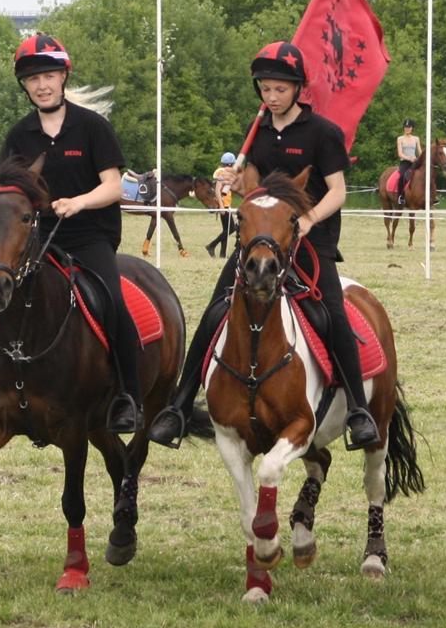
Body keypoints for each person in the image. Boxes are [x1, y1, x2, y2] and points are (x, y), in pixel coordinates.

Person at [148, 40, 379, 450]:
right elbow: (252, 188)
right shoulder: (258, 134)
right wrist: (236, 184)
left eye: (280, 89)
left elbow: (338, 192)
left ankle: (359, 411)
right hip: (260, 243)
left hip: (310, 243)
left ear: (297, 89)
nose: (271, 97)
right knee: (217, 309)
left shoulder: (323, 134)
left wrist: (308, 219)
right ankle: (180, 406)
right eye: (265, 89)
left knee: (330, 314)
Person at [0, 33, 143, 434]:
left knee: (112, 301)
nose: (42, 85)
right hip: (32, 239)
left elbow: (115, 187)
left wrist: (77, 202)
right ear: (25, 86)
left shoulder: (93, 127)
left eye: (48, 76)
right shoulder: (19, 135)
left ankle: (128, 398)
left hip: (88, 236)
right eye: (33, 79)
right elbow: (4, 188)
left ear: (64, 77)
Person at [205, 151, 237, 258]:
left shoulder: (225, 173)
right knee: (231, 229)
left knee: (226, 230)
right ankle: (211, 245)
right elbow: (218, 190)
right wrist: (222, 206)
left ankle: (222, 254)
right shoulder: (222, 174)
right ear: (230, 164)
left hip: (226, 205)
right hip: (223, 205)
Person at [395, 118, 421, 206]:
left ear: (412, 128)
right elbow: (400, 153)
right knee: (402, 176)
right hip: (405, 162)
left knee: (427, 174)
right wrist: (409, 158)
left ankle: (431, 196)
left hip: (414, 162)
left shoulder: (416, 139)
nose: (407, 129)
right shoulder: (400, 139)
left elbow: (420, 152)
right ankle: (400, 196)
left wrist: (421, 159)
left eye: (409, 127)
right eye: (405, 127)